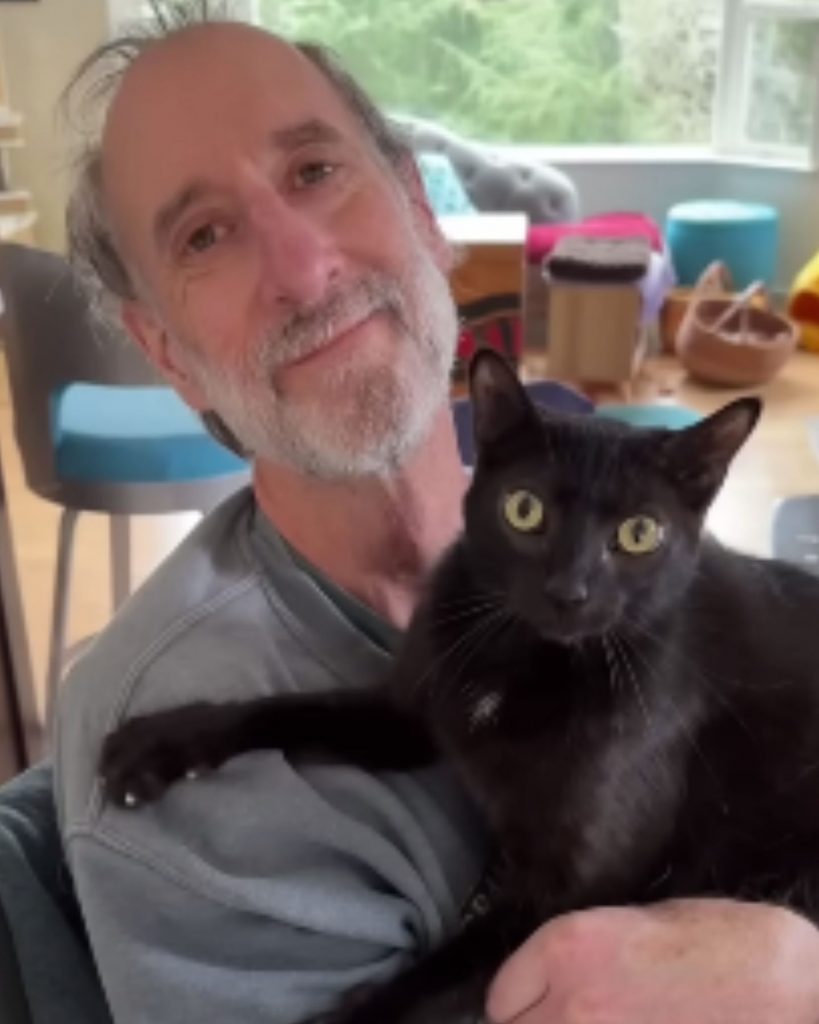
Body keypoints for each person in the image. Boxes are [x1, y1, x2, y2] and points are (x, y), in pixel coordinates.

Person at [55, 7, 819, 1024]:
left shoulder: (614, 537)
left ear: (423, 211)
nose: (301, 266)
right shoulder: (185, 797)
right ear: (163, 351)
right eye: (205, 235)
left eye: (316, 170)